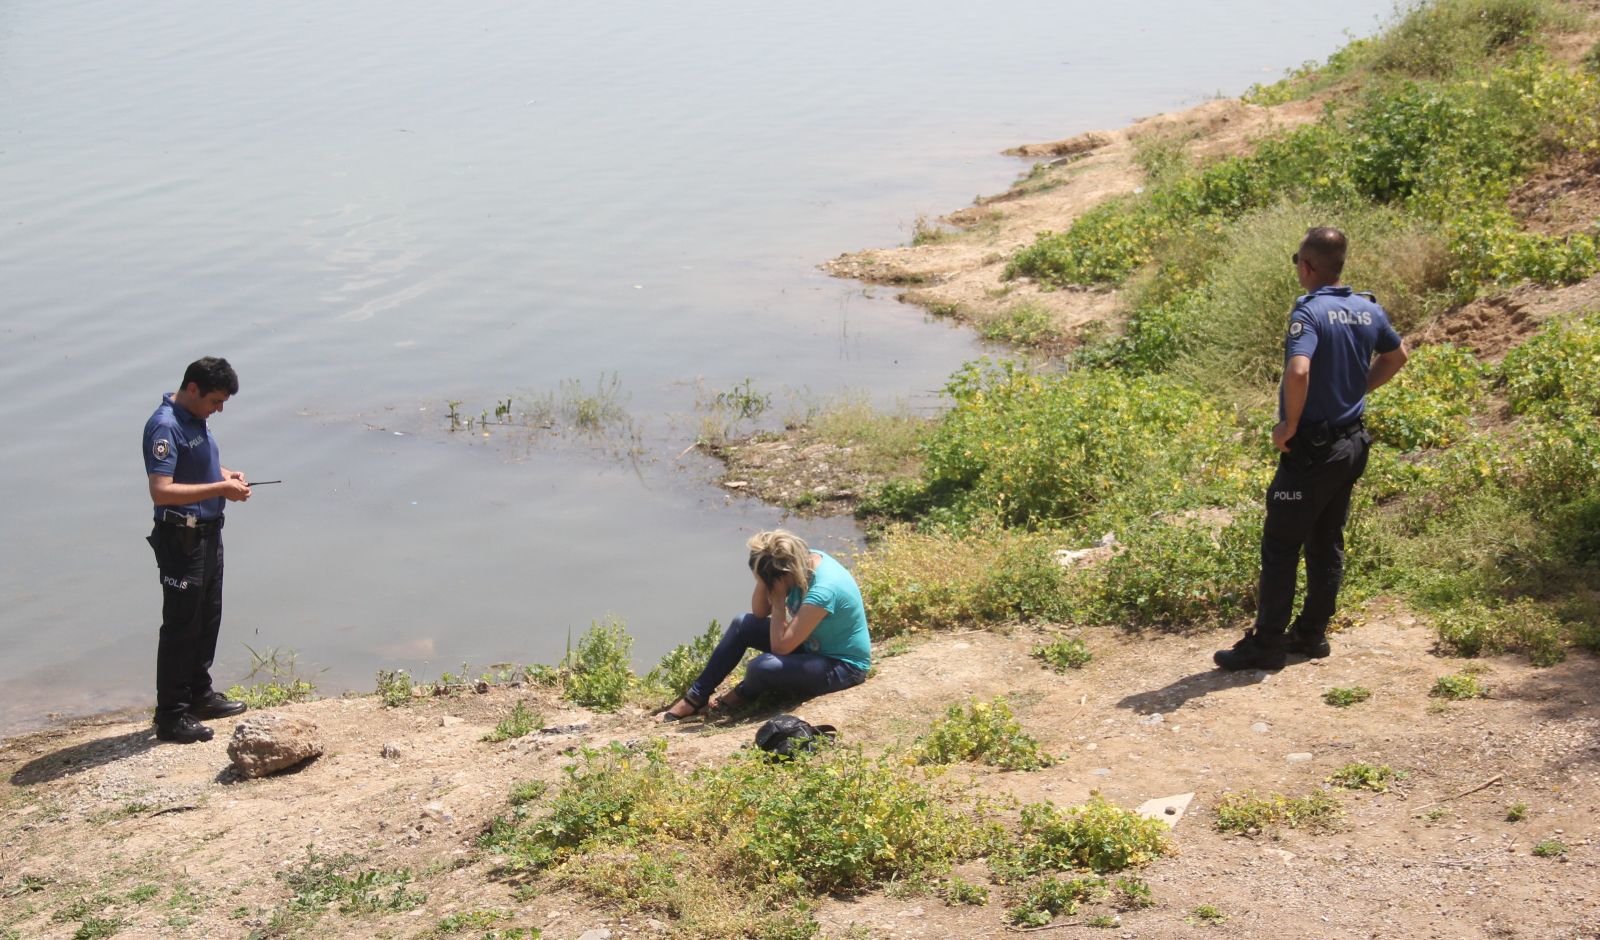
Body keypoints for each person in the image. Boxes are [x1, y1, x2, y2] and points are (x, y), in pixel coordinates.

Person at [1214, 228, 1409, 671]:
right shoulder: (1367, 309)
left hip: (1314, 451)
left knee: (1281, 543)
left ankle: (1267, 645)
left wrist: (1289, 425)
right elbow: (1397, 356)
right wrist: (1357, 390)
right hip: (1352, 444)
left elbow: (1299, 370)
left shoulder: (1309, 312)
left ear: (1306, 266)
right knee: (1326, 540)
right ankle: (1312, 634)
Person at [142, 357, 253, 742]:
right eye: (215, 401)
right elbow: (162, 491)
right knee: (181, 625)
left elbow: (195, 466)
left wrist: (225, 474)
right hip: (181, 538)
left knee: (207, 617)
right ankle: (171, 715)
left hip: (208, 534)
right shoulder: (165, 426)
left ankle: (199, 696)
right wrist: (221, 489)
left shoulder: (194, 418)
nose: (218, 409)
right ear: (193, 389)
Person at [663, 530, 871, 720]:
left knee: (762, 667)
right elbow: (760, 612)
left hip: (842, 665)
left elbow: (781, 648)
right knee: (742, 623)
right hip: (811, 646)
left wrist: (779, 602)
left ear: (785, 573)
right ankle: (696, 696)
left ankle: (741, 695)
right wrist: (765, 581)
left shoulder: (824, 590)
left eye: (768, 581)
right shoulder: (797, 564)